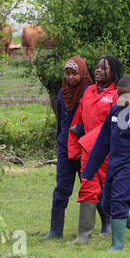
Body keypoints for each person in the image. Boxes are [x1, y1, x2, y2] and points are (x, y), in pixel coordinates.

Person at [82, 77, 130, 252]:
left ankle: (117, 246)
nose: (121, 99)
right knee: (106, 203)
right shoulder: (114, 111)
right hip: (113, 164)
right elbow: (102, 141)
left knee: (118, 202)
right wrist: (90, 169)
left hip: (129, 167)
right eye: (118, 95)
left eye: (125, 95)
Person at [67, 56, 125, 244]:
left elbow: (115, 125)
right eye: (97, 67)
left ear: (113, 72)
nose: (98, 70)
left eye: (104, 68)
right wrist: (75, 147)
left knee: (118, 191)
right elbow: (78, 122)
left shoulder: (118, 94)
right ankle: (84, 236)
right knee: (88, 188)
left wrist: (90, 140)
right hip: (88, 150)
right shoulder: (89, 91)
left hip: (108, 151)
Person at [41, 56, 93, 239]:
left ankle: (107, 225)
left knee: (90, 187)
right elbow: (61, 122)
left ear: (83, 73)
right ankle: (55, 231)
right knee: (62, 187)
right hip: (65, 147)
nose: (70, 77)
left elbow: (93, 121)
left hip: (84, 147)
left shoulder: (89, 92)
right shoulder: (63, 93)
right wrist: (61, 142)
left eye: (74, 73)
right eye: (68, 73)